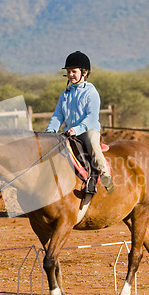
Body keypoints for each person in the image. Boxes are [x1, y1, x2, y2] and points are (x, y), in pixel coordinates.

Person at [46, 51, 113, 193]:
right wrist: (50, 131)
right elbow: (58, 115)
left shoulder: (91, 92)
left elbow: (92, 117)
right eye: (68, 72)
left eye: (74, 71)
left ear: (84, 72)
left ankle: (104, 174)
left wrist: (77, 129)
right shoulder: (65, 94)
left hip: (88, 131)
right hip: (69, 132)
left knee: (93, 146)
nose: (70, 75)